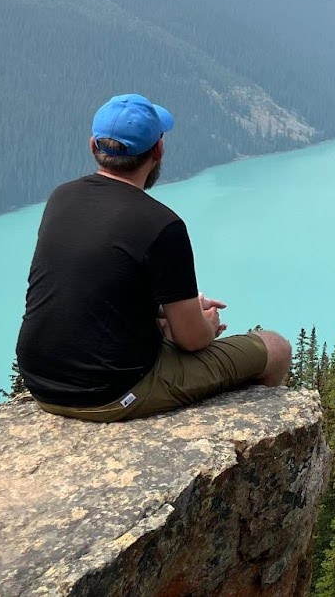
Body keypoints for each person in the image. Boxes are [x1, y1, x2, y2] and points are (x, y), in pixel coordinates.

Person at [16, 94, 291, 422]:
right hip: (113, 394)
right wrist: (205, 324)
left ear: (93, 147)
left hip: (41, 383)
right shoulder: (162, 225)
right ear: (158, 151)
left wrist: (170, 311)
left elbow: (90, 287)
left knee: (165, 326)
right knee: (275, 348)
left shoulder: (62, 197)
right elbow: (192, 341)